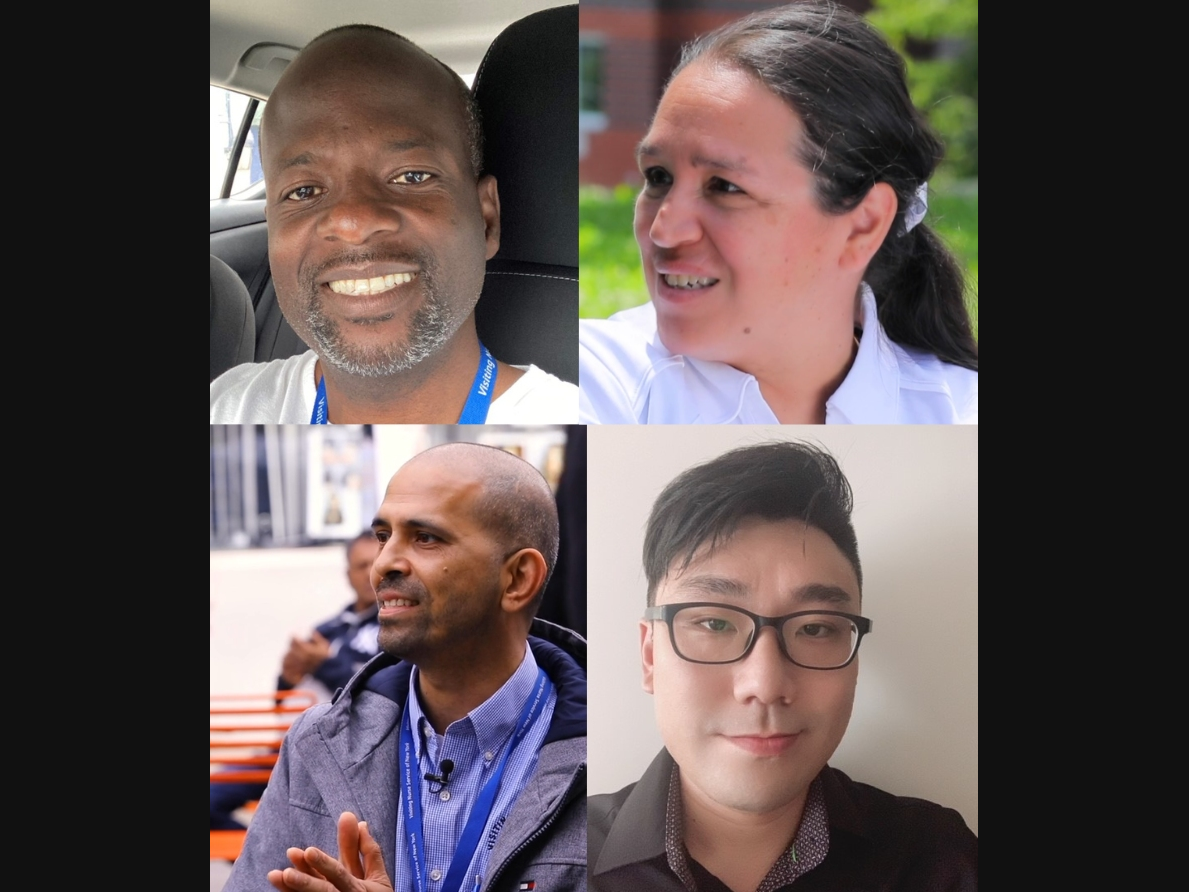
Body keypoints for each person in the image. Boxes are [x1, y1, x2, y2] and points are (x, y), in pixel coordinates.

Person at [588, 441, 977, 890]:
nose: (766, 684)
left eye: (814, 629)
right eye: (715, 622)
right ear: (650, 655)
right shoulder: (558, 856)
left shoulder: (939, 862)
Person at [579, 2, 978, 424]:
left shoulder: (961, 411)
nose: (665, 230)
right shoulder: (593, 383)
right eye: (659, 177)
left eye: (726, 186)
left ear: (864, 225)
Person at [226, 443, 586, 892]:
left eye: (426, 538)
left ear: (516, 579)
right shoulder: (317, 742)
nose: (383, 565)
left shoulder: (605, 762)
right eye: (383, 536)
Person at [210, 26, 577, 424]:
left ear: (486, 218)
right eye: (304, 191)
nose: (352, 222)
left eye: (412, 177)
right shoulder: (228, 405)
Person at [212, 532, 382, 832]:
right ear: (348, 574)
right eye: (361, 565)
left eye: (376, 563)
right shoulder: (328, 628)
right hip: (290, 747)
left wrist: (325, 663)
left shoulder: (395, 627)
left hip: (350, 757)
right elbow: (282, 704)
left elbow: (377, 695)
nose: (370, 573)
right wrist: (286, 679)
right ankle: (261, 869)